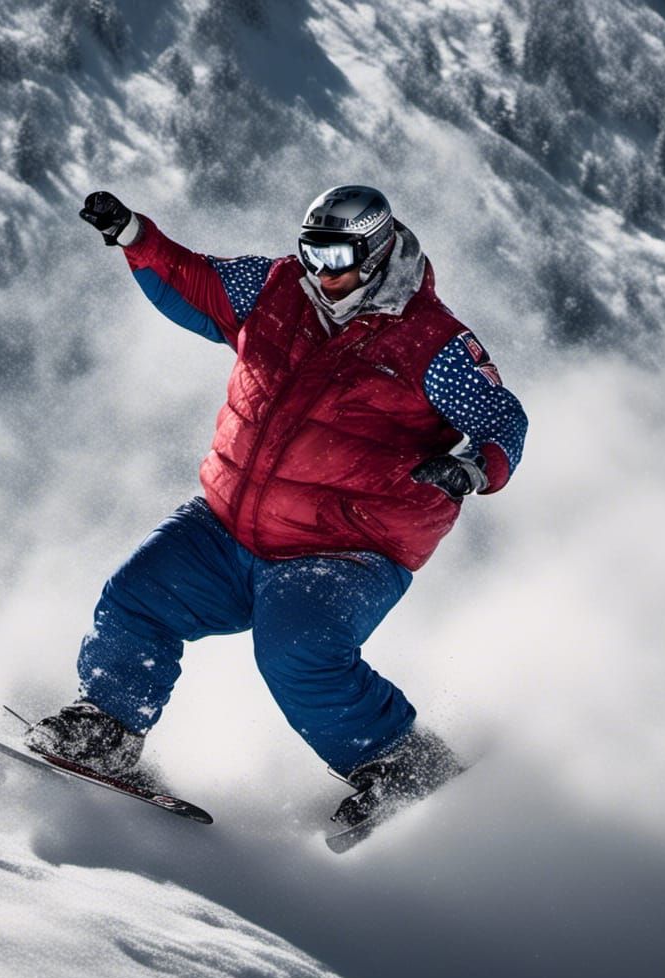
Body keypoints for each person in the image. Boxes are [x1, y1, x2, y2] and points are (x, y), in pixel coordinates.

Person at [26, 185, 528, 830]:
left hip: (345, 548)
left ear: (375, 253)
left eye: (339, 256)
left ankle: (401, 762)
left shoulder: (432, 342)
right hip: (229, 525)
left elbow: (500, 419)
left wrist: (470, 468)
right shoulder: (277, 289)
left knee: (296, 652)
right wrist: (135, 237)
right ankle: (109, 726)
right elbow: (197, 282)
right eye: (312, 253)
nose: (323, 271)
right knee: (136, 598)